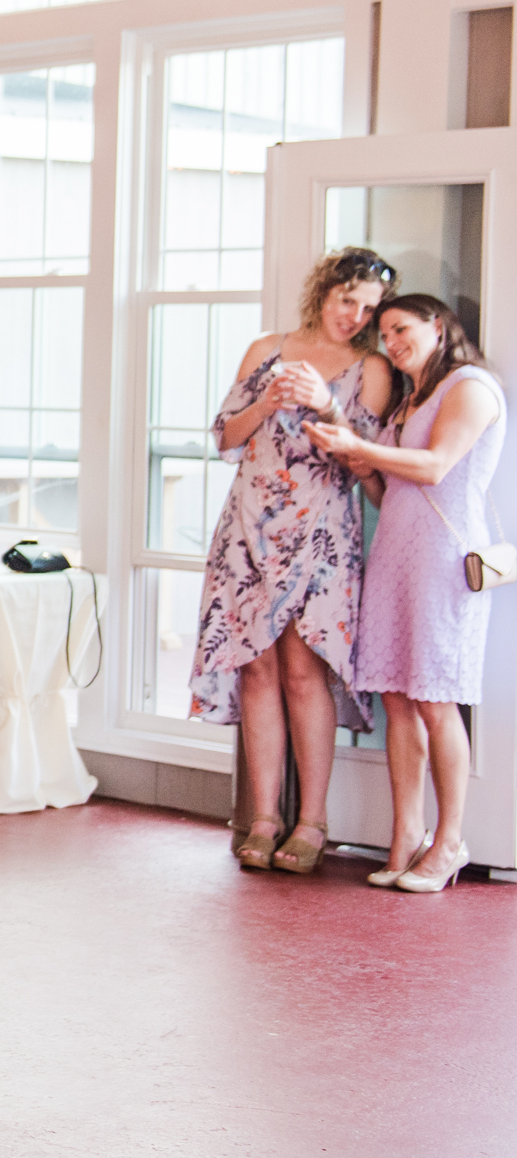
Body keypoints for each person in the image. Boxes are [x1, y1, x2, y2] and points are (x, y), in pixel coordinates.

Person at [190, 249, 395, 873]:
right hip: (249, 529)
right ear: (323, 292)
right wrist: (269, 399)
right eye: (346, 301)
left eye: (368, 309)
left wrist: (327, 408)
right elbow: (226, 436)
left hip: (322, 534)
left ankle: (313, 822)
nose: (354, 316)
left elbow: (368, 468)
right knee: (256, 672)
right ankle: (264, 816)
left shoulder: (372, 368)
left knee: (306, 673)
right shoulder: (266, 348)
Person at [310, 296, 506, 892]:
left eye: (401, 328)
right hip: (395, 557)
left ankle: (450, 842)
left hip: (444, 564)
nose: (391, 341)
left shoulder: (470, 386)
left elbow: (436, 467)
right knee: (398, 700)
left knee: (437, 701)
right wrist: (357, 458)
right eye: (384, 333)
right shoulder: (409, 400)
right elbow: (390, 492)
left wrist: (361, 449)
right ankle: (406, 834)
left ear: (437, 326)